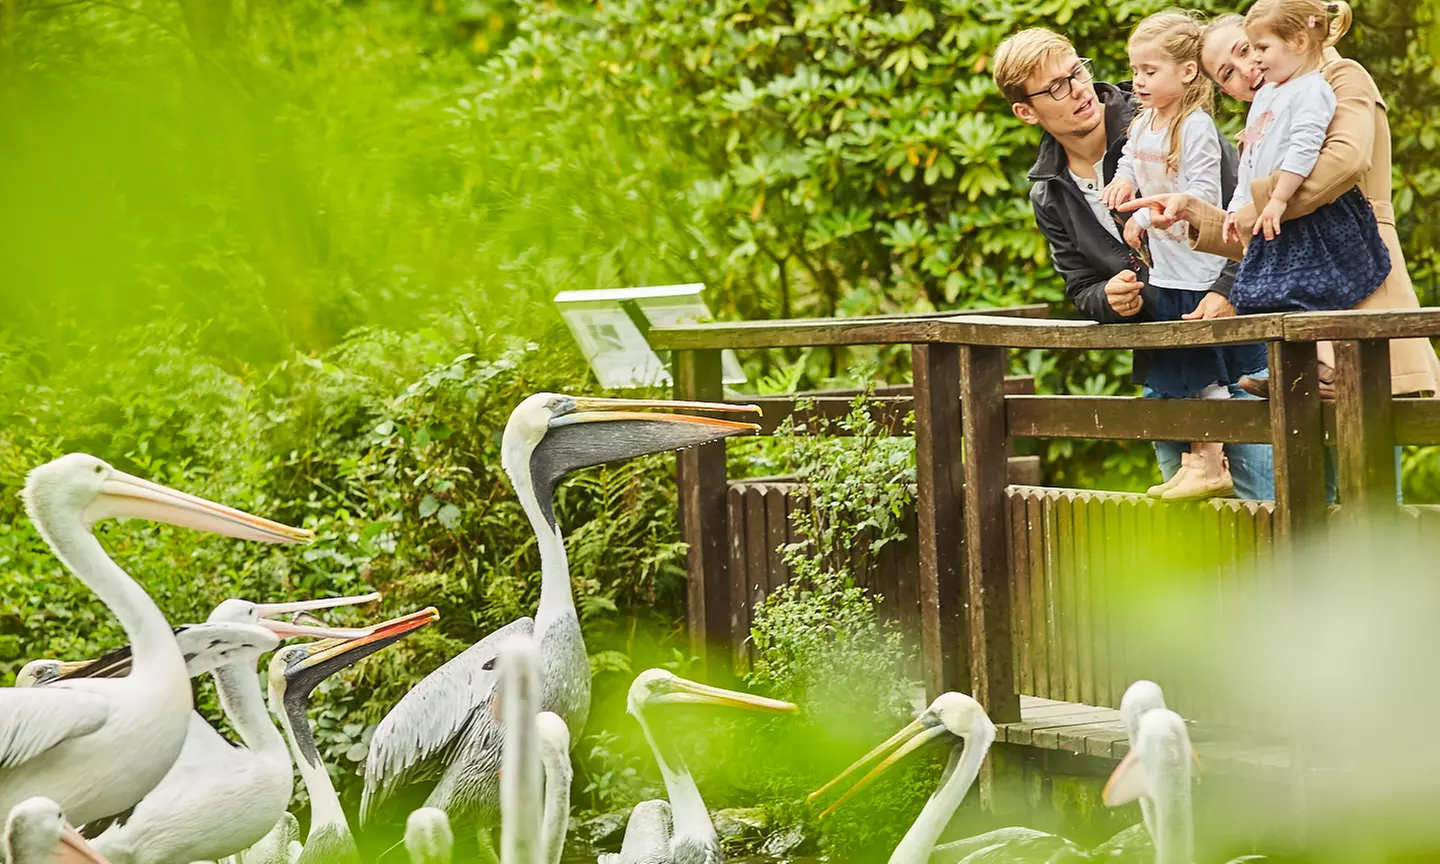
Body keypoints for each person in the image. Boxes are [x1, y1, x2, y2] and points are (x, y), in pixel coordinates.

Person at [991, 27, 1274, 500]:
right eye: (1055, 88)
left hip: (1241, 352)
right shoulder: (1048, 190)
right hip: (1165, 363)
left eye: (1076, 71)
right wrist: (1109, 297)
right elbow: (1081, 287)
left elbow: (1244, 215)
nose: (1078, 89)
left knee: (1271, 514)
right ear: (1026, 111)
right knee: (1190, 541)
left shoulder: (1168, 116)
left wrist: (1225, 290)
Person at [1122, 4, 1440, 402]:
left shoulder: (1337, 76)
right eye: (1227, 74)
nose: (1245, 70)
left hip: (1362, 265)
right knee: (1310, 450)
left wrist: (1260, 205)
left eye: (1244, 51)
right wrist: (1192, 211)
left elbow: (1344, 161)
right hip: (1300, 284)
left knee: (1373, 426)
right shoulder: (1259, 131)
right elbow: (1257, 235)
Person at [1100, 11, 1265, 500]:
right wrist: (1124, 182)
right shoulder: (1145, 121)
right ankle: (1199, 459)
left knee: (1203, 367)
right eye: (1134, 71)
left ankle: (1210, 460)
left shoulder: (1195, 127)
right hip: (1166, 273)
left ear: (1187, 72)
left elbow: (1201, 195)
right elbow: (1130, 159)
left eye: (1150, 72)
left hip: (1199, 269)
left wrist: (1144, 217)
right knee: (1181, 368)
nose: (1137, 82)